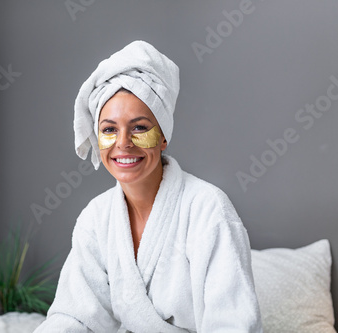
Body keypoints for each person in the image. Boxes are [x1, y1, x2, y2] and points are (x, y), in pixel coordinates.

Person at [34, 40, 262, 332]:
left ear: (164, 136)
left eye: (140, 127)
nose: (123, 142)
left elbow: (233, 324)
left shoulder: (208, 209)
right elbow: (76, 317)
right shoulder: (96, 218)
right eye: (109, 129)